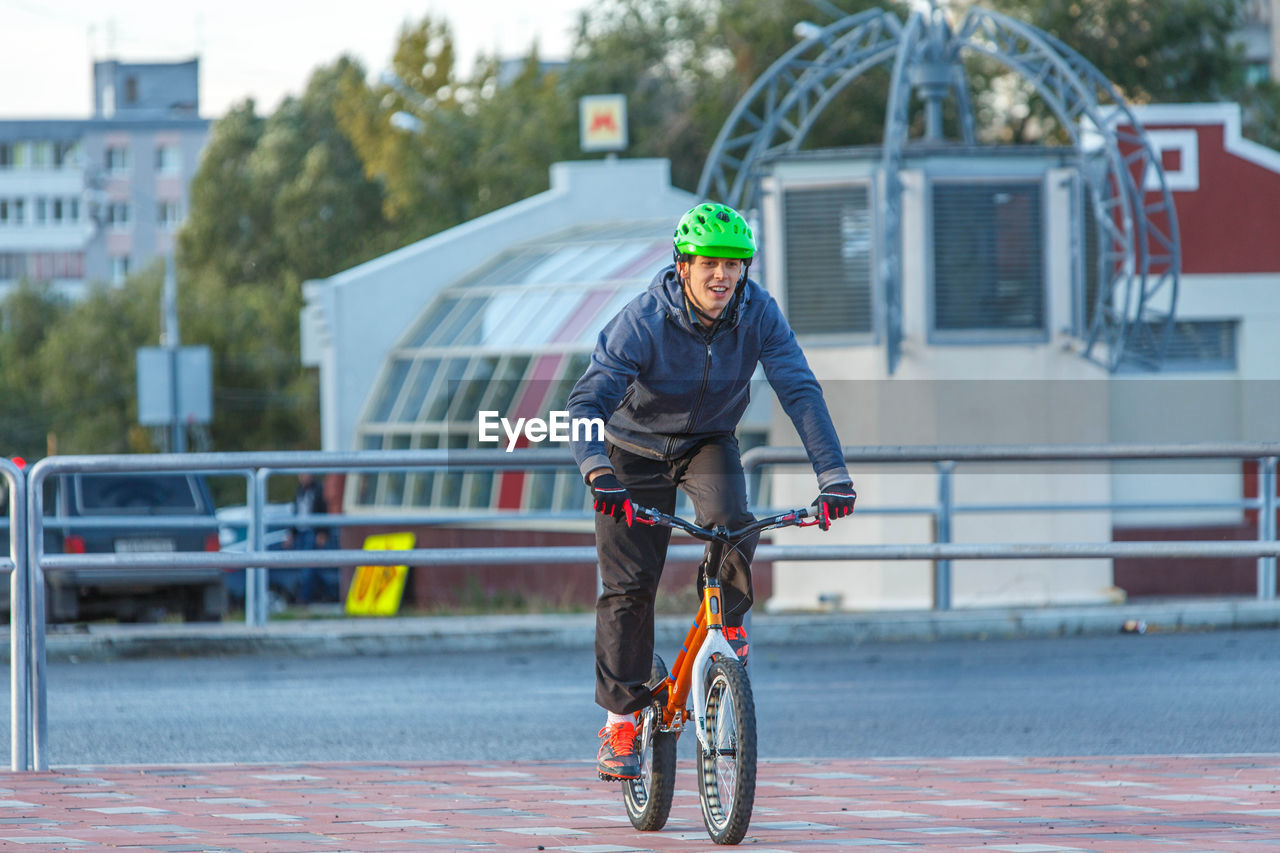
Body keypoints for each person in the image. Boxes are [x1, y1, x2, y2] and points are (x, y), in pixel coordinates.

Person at [567, 201, 857, 781]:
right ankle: (621, 722)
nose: (722, 276)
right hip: (633, 451)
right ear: (683, 266)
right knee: (629, 586)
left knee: (734, 521)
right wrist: (599, 470)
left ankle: (725, 621)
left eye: (734, 265)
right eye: (709, 265)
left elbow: (799, 388)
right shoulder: (643, 321)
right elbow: (585, 402)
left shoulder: (759, 314)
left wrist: (832, 476)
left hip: (707, 442)